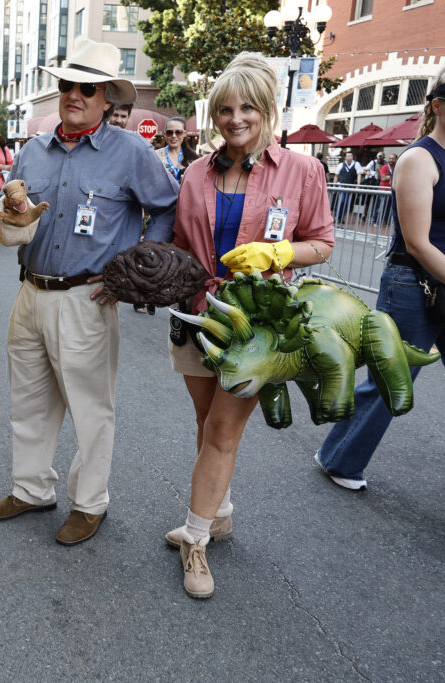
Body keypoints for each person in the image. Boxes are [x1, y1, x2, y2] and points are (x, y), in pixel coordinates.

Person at [0, 38, 179, 545]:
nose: (74, 94)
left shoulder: (131, 151)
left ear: (106, 97)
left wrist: (135, 271)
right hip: (30, 291)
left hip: (87, 298)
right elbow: (18, 216)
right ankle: (31, 489)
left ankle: (90, 503)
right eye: (67, 84)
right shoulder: (32, 152)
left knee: (90, 408)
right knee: (28, 401)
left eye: (86, 88)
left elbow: (166, 206)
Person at [166, 52, 334, 598]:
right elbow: (179, 244)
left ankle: (195, 539)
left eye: (247, 109)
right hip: (198, 315)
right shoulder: (194, 172)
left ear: (266, 112)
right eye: (225, 109)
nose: (235, 120)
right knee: (204, 420)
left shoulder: (302, 171)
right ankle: (219, 510)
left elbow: (323, 244)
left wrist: (279, 249)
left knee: (222, 430)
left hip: (257, 326)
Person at [315, 58, 445, 531]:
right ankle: (339, 457)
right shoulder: (418, 159)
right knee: (390, 382)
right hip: (415, 287)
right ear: (439, 104)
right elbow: (419, 242)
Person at [155, 116, 199, 183]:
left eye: (178, 132)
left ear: (184, 134)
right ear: (165, 134)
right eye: (169, 132)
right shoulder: (155, 155)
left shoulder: (193, 159)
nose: (174, 136)